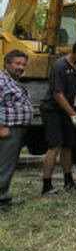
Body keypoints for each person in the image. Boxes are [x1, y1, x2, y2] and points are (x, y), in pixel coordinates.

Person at [40, 39, 76, 195]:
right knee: (55, 145)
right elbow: (57, 94)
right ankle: (47, 185)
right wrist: (73, 115)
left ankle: (68, 181)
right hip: (52, 109)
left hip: (65, 108)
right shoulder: (60, 66)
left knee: (68, 145)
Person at [0, 50, 33, 212]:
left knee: (8, 165)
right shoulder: (2, 81)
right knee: (4, 165)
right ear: (6, 64)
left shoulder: (13, 81)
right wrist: (1, 126)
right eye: (17, 63)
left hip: (15, 130)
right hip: (7, 130)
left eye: (24, 64)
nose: (21, 67)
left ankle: (3, 196)